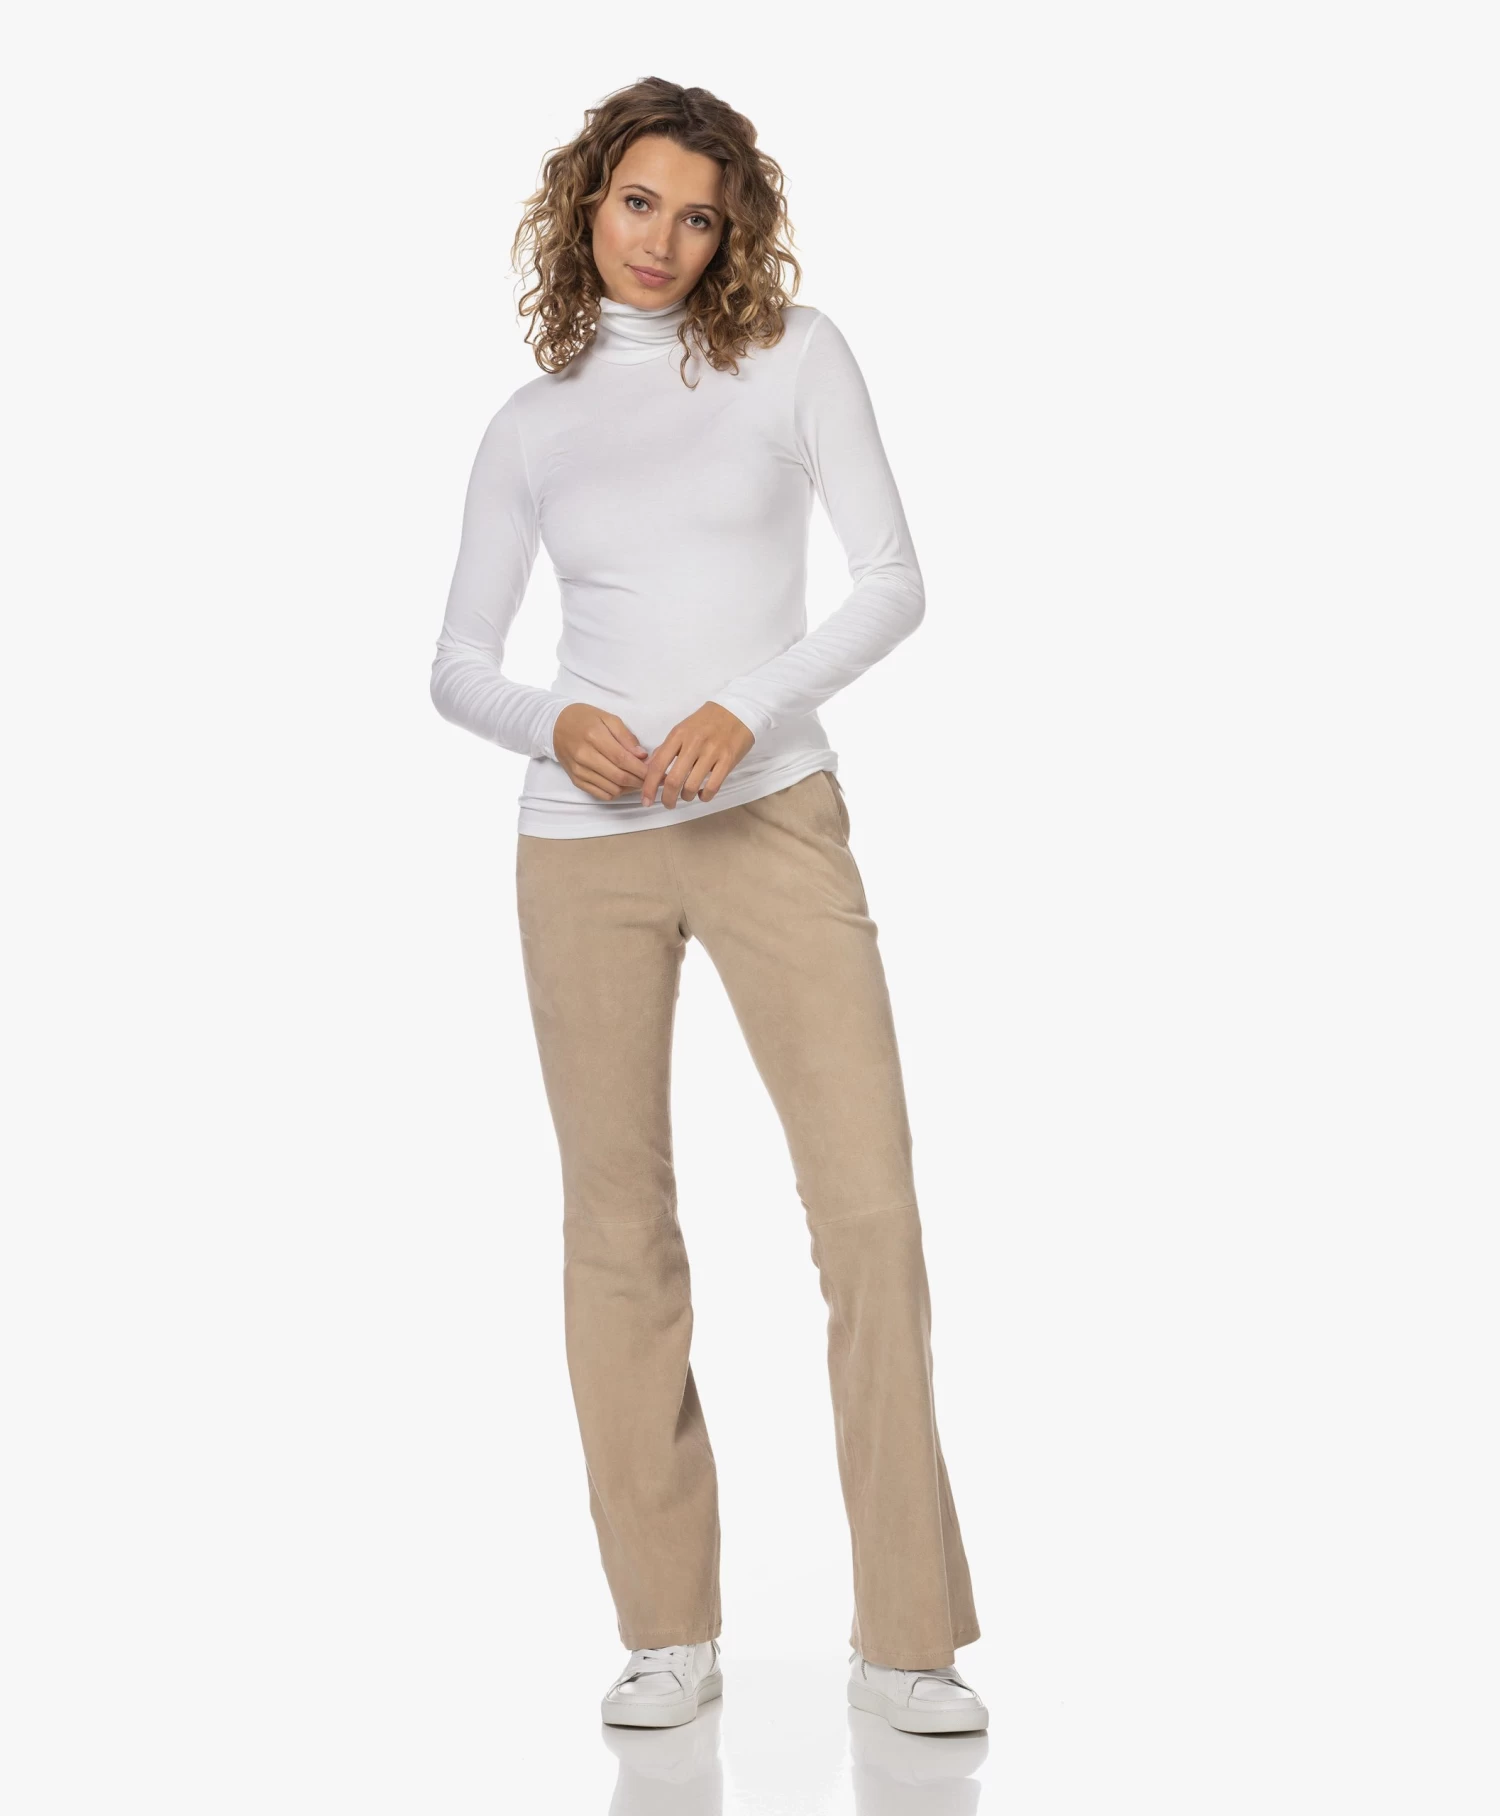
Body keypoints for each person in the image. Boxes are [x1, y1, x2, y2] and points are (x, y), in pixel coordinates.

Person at [429, 76, 986, 1736]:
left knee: (868, 1212)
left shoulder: (796, 357)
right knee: (616, 1233)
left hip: (773, 817)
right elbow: (456, 662)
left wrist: (747, 707)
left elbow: (894, 579)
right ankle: (666, 1629)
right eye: (636, 204)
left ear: (732, 232)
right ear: (585, 202)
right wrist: (554, 722)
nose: (661, 242)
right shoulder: (530, 426)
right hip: (580, 849)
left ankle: (908, 1635)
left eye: (695, 216)